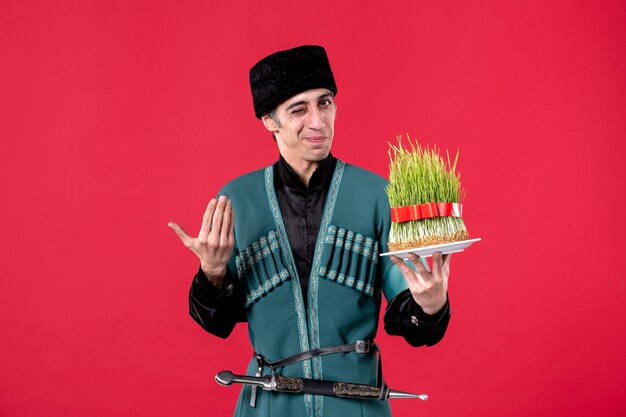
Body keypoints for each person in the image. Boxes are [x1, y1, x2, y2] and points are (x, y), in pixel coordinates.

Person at [168, 45, 452, 417]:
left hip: (358, 406)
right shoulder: (237, 199)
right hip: (268, 405)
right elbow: (216, 324)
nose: (318, 121)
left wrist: (431, 305)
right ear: (270, 120)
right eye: (299, 109)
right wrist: (213, 273)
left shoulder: (379, 196)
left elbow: (413, 321)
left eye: (325, 103)